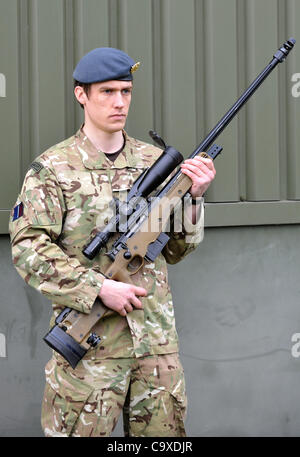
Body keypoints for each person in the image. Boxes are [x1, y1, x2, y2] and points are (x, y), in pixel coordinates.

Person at [9, 47, 216, 437]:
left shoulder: (156, 163)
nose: (119, 102)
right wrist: (98, 287)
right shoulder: (52, 169)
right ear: (81, 95)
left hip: (155, 349)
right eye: (107, 92)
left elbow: (176, 249)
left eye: (126, 91)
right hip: (89, 356)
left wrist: (195, 199)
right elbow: (28, 249)